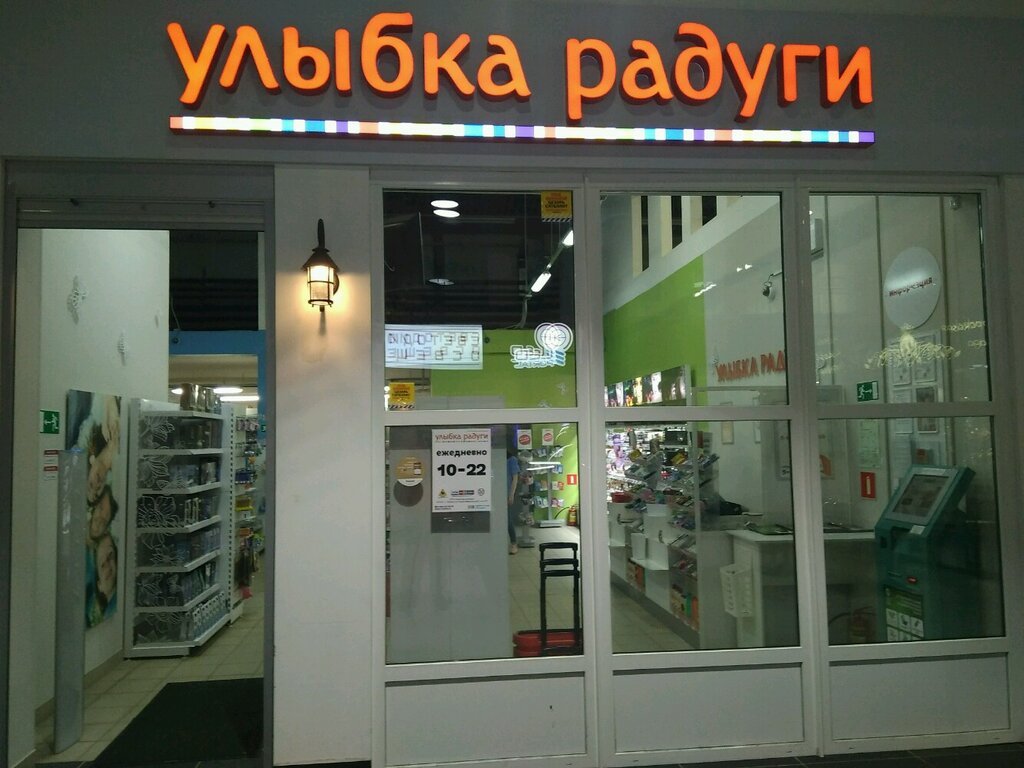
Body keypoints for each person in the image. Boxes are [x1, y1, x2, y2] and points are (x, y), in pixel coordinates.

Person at [507, 447, 521, 554]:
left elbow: (515, 478)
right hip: (494, 493)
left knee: (507, 520)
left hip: (506, 493)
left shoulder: (511, 459)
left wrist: (511, 494)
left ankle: (513, 543)